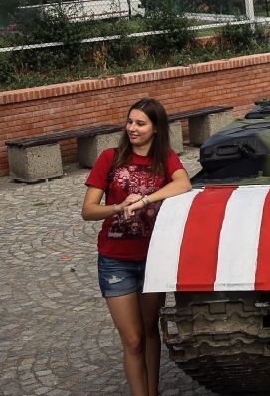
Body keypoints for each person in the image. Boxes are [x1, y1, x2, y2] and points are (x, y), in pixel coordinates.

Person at [82, 97, 192, 396]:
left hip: (153, 258)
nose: (132, 128)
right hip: (115, 259)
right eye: (129, 122)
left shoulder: (165, 159)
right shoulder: (110, 157)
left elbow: (183, 184)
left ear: (156, 128)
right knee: (132, 340)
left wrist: (144, 200)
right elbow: (88, 210)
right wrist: (118, 207)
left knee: (149, 329)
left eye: (140, 123)